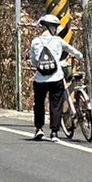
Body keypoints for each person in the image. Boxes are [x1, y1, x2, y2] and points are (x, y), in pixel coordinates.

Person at [29, 12, 83, 142]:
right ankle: (54, 132)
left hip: (40, 79)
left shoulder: (35, 42)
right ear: (51, 27)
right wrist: (79, 56)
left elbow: (34, 61)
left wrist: (42, 66)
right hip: (56, 78)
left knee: (39, 104)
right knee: (56, 104)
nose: (56, 29)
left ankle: (39, 129)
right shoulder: (58, 41)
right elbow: (73, 51)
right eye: (55, 27)